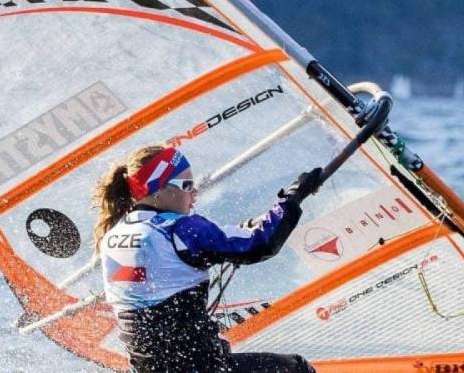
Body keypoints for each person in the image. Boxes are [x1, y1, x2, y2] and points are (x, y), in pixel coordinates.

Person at [93, 144, 319, 373]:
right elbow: (259, 243)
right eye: (187, 185)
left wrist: (253, 223)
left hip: (151, 368)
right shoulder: (179, 228)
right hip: (202, 367)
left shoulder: (113, 236)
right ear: (159, 189)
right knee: (296, 369)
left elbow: (220, 239)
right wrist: (293, 197)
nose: (195, 193)